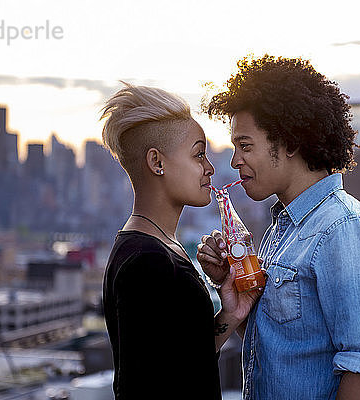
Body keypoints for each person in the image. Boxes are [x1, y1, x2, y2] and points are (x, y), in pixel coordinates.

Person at [196, 55, 360, 400]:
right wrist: (232, 288)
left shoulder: (343, 231)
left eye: (245, 145)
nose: (234, 161)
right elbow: (279, 346)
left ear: (290, 143)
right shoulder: (284, 229)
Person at [100, 84, 261, 399]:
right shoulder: (147, 261)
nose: (210, 168)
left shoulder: (159, 246)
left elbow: (183, 362)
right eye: (199, 154)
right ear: (156, 162)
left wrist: (232, 313)